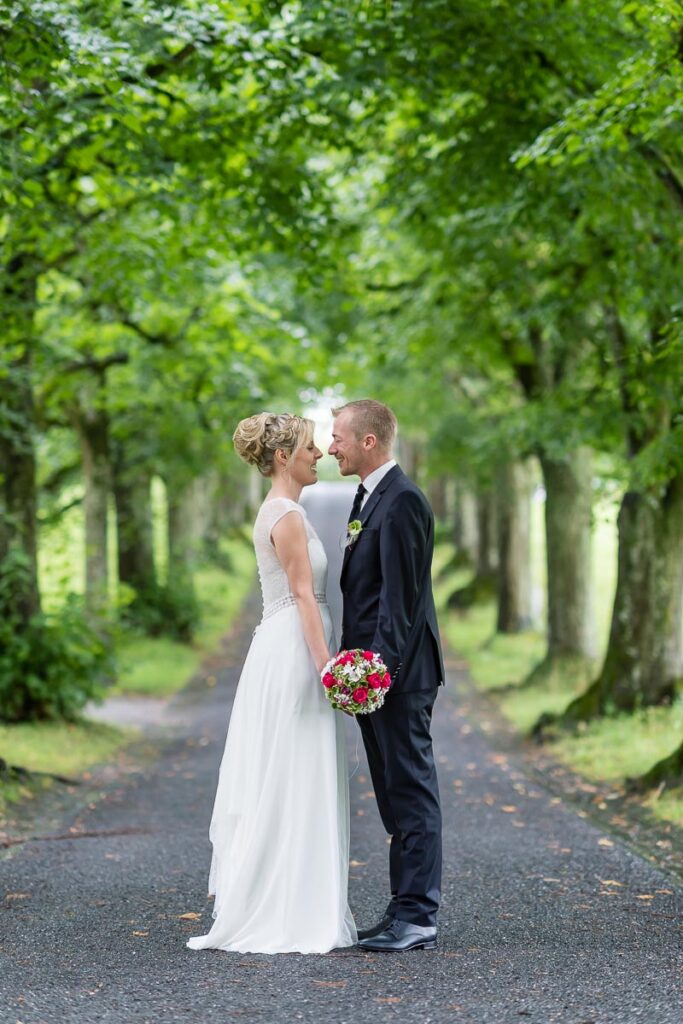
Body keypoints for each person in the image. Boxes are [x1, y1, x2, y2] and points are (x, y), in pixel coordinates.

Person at [187, 413, 356, 955]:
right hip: (294, 652)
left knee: (301, 770)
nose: (320, 454)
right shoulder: (283, 514)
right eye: (310, 447)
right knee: (293, 771)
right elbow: (305, 596)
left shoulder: (291, 511)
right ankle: (284, 908)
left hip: (293, 644)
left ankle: (303, 900)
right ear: (283, 458)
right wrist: (329, 666)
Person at [329, 399, 444, 953]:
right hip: (377, 673)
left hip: (398, 675)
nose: (331, 447)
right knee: (392, 795)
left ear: (368, 442)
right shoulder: (370, 497)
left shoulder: (401, 503)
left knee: (411, 790)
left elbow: (402, 603)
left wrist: (377, 675)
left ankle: (418, 915)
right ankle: (402, 907)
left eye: (338, 438)